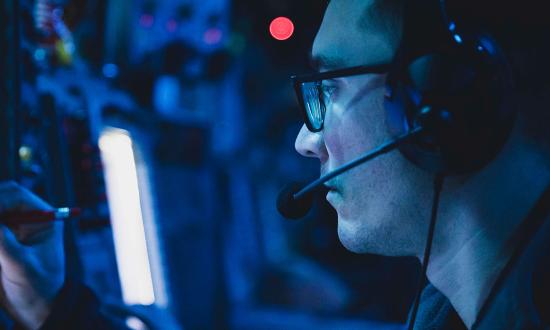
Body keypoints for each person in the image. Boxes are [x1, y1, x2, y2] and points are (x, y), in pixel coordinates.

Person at [0, 0, 549, 329]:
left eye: (329, 89)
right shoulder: (458, 305)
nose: (304, 142)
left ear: (442, 106)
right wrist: (60, 309)